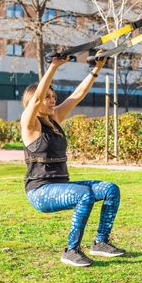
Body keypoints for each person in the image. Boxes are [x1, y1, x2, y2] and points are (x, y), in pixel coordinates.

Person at [21, 54, 125, 267]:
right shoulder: (30, 124)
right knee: (85, 195)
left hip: (61, 187)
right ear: (36, 101)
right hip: (40, 192)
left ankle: (101, 243)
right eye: (48, 97)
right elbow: (37, 98)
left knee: (110, 189)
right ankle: (71, 250)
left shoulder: (55, 119)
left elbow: (77, 95)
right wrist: (54, 66)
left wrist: (97, 68)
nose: (53, 100)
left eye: (54, 96)